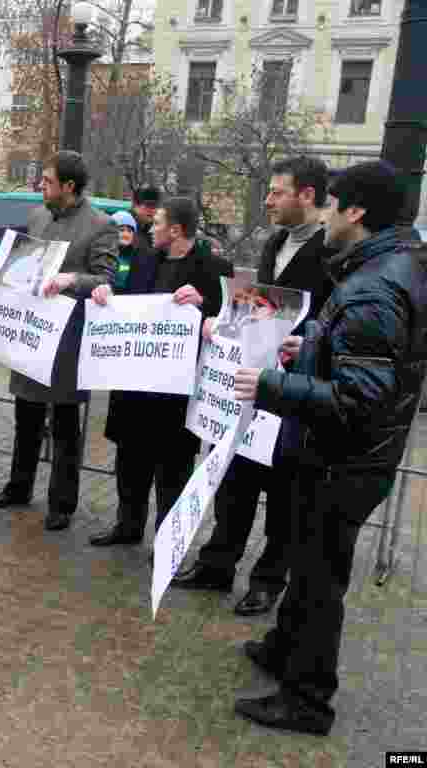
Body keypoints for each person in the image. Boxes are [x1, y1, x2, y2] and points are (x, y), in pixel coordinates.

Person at [232, 161, 427, 735]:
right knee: (307, 559)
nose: (326, 218)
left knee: (320, 578)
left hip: (345, 459)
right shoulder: (392, 266)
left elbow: (359, 398)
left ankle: (307, 700)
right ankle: (283, 649)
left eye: (333, 206)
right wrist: (313, 345)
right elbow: (367, 358)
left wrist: (272, 385)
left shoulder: (373, 287)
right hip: (354, 454)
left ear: (356, 212)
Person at [173, 157, 336, 616]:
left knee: (284, 492)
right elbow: (255, 308)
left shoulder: (330, 251)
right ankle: (217, 563)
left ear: (307, 195)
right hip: (251, 384)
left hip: (295, 390)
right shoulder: (273, 243)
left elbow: (333, 319)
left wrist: (310, 344)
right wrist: (220, 320)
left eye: (277, 192)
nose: (267, 200)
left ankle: (268, 580)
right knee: (235, 478)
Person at [0, 151, 118, 530]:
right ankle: (18, 487)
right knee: (25, 417)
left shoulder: (100, 225)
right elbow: (24, 265)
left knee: (65, 428)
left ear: (69, 187)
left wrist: (71, 279)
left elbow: (106, 279)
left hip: (67, 342)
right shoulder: (37, 216)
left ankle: (62, 504)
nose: (41, 186)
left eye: (47, 181)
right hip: (31, 335)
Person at [90, 197, 233, 547]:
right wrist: (107, 292)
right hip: (135, 385)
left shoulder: (215, 268)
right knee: (130, 461)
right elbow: (125, 301)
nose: (150, 228)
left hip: (177, 393)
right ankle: (127, 525)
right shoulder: (143, 258)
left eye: (157, 223)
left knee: (173, 470)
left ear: (176, 230)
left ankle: (167, 542)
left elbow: (230, 320)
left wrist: (205, 305)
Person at [109, 210, 138, 292]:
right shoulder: (104, 255)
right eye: (121, 230)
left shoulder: (138, 257)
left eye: (129, 231)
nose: (126, 234)